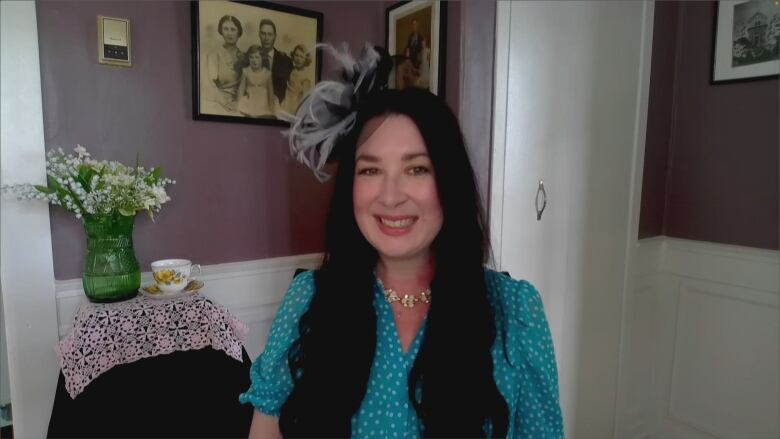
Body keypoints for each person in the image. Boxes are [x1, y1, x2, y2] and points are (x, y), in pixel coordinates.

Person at [240, 44, 563, 438]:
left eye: (417, 168)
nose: (390, 196)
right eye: (371, 170)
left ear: (449, 182)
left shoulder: (517, 312)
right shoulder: (308, 299)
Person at [205, 15, 244, 113]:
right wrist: (225, 103)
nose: (229, 33)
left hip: (240, 103)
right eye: (226, 29)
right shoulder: (214, 55)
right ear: (221, 31)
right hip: (220, 103)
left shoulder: (245, 56)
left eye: (233, 29)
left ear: (239, 33)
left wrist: (238, 103)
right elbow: (210, 85)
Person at [257, 18, 293, 106]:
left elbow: (291, 89)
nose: (266, 38)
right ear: (259, 34)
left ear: (275, 36)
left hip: (279, 109)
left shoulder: (285, 61)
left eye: (270, 34)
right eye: (263, 34)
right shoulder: (251, 58)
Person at [236, 45, 276, 117]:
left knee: (268, 114)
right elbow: (241, 89)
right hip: (250, 100)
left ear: (262, 58)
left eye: (257, 57)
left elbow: (271, 92)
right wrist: (238, 103)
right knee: (243, 111)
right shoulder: (246, 71)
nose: (254, 60)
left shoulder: (267, 73)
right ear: (248, 59)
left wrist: (271, 108)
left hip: (263, 102)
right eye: (251, 57)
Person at [279, 44, 313, 115]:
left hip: (295, 105)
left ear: (306, 59)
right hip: (286, 101)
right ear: (293, 56)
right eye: (296, 55)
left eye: (301, 57)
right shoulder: (292, 69)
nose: (298, 59)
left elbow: (305, 97)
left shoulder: (305, 77)